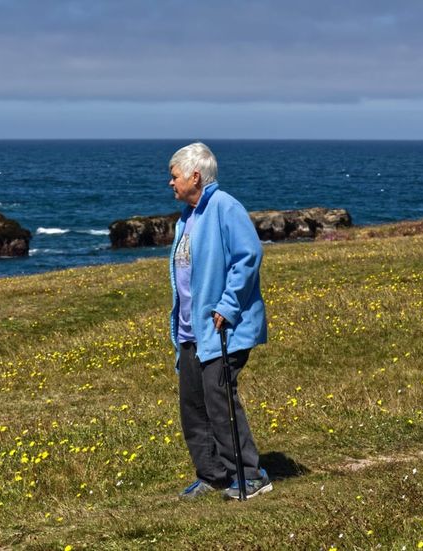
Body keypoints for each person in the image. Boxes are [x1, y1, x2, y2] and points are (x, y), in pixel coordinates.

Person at [167, 142, 271, 500]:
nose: (171, 183)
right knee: (193, 403)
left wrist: (227, 306)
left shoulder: (224, 206)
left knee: (219, 398)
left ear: (195, 176)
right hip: (192, 330)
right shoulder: (187, 216)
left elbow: (248, 256)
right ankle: (212, 473)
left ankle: (251, 474)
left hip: (223, 327)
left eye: (174, 175)